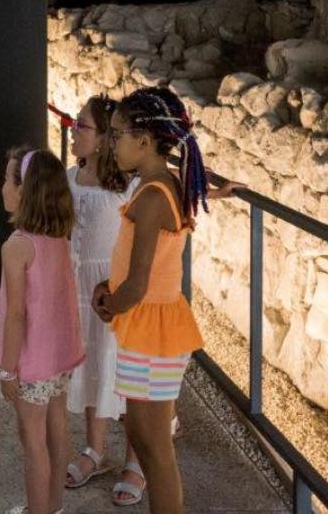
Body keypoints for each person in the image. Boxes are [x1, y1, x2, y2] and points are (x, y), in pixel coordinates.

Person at [92, 87, 239, 514]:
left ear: (144, 141)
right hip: (152, 326)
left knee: (154, 449)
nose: (110, 142)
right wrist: (109, 285)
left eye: (117, 133)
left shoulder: (153, 196)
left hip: (150, 329)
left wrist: (107, 304)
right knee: (145, 440)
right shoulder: (161, 183)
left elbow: (137, 284)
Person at [62, 95, 150, 506]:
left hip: (114, 292)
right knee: (92, 365)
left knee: (125, 372)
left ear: (102, 139)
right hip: (79, 291)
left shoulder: (129, 188)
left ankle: (138, 458)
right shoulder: (69, 178)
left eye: (81, 125)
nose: (72, 130)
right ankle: (95, 449)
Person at [0, 147, 84, 514]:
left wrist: (7, 368)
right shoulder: (59, 236)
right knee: (57, 429)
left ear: (24, 191)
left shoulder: (17, 246)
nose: (1, 187)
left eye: (7, 179)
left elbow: (15, 316)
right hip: (61, 356)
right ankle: (54, 505)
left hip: (31, 362)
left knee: (32, 441)